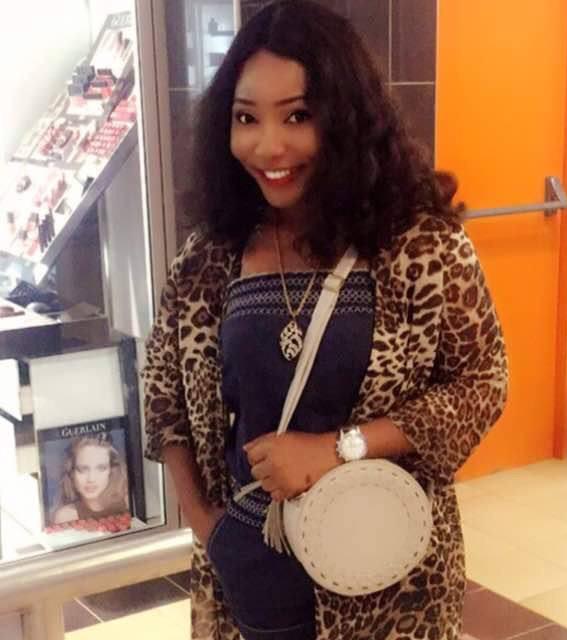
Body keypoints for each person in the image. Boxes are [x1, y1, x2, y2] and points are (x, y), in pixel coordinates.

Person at [142, 1, 508, 639]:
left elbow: (482, 383)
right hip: (250, 575)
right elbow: (162, 388)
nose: (269, 146)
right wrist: (205, 524)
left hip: (387, 579)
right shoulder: (211, 255)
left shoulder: (418, 246)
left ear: (345, 119)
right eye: (246, 118)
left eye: (298, 116)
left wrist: (340, 448)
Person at [52, 435, 129, 525]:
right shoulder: (66, 516)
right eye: (82, 469)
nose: (91, 479)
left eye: (101, 468)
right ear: (71, 473)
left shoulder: (127, 503)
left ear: (112, 471)